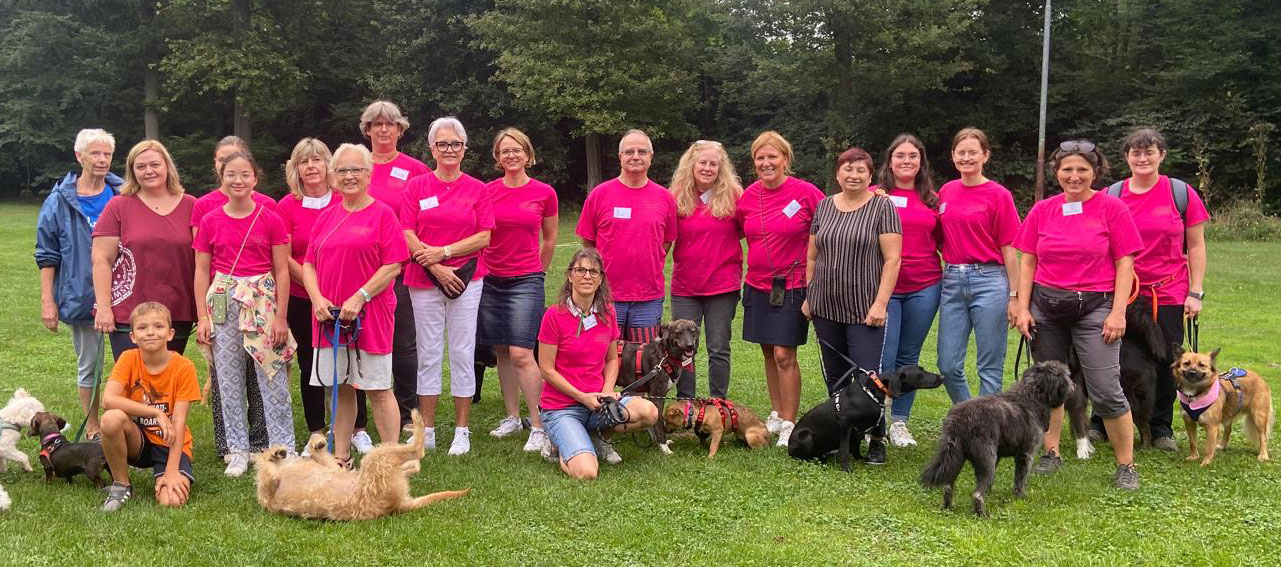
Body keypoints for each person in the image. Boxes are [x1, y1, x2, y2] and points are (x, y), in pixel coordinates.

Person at [1014, 139, 1144, 490]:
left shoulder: (1112, 208)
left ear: (1095, 172)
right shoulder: (1043, 210)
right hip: (1047, 307)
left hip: (1096, 307)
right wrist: (1022, 306)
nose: (1074, 176)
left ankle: (1126, 466)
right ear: (1056, 172)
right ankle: (1050, 453)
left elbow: (1125, 262)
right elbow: (1027, 260)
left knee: (1104, 389)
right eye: (1067, 169)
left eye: (1082, 170)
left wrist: (1118, 313)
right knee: (1048, 387)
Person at [1086, 128, 1210, 451]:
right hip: (1122, 293)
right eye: (1135, 153)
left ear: (1161, 156)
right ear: (1126, 157)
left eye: (1149, 152)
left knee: (1167, 359)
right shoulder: (1111, 195)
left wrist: (1195, 292)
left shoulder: (1181, 193)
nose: (1142, 158)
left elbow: (1195, 246)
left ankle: (1160, 428)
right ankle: (1101, 421)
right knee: (1111, 357)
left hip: (1168, 293)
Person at [304, 143, 409, 467]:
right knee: (341, 387)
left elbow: (394, 264)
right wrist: (318, 299)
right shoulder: (326, 217)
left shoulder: (382, 215)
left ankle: (389, 458)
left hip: (371, 315)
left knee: (377, 387)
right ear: (333, 176)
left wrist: (360, 296)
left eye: (356, 170)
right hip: (330, 318)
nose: (349, 176)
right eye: (343, 170)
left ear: (368, 174)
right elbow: (309, 263)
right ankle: (341, 456)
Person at [193, 150, 296, 477]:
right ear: (221, 178)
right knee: (228, 380)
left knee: (273, 377)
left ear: (255, 178)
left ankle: (283, 447)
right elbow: (201, 272)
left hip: (262, 303)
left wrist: (281, 317)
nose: (238, 181)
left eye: (245, 175)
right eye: (231, 175)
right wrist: (203, 317)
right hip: (224, 301)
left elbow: (282, 270)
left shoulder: (270, 218)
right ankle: (237, 449)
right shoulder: (210, 220)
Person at [802, 147, 902, 464]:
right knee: (836, 379)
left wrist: (881, 304)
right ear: (838, 173)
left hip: (865, 309)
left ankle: (876, 439)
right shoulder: (824, 206)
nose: (853, 175)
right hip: (826, 306)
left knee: (869, 380)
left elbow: (892, 259)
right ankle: (842, 439)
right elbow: (812, 256)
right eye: (847, 169)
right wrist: (809, 295)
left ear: (870, 176)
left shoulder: (882, 207)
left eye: (860, 170)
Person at [401, 116, 492, 456]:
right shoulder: (416, 187)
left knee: (462, 352)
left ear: (465, 149)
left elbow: (484, 235)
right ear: (432, 149)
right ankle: (428, 431)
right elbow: (407, 232)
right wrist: (436, 266)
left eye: (455, 144)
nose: (449, 150)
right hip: (424, 281)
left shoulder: (478, 189)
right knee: (427, 355)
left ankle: (462, 430)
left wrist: (446, 252)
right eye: (443, 144)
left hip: (468, 279)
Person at [278, 138, 373, 456]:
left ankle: (358, 428)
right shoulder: (286, 206)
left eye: (318, 160)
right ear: (296, 169)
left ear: (328, 165)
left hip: (346, 296)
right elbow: (287, 255)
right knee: (311, 364)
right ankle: (316, 431)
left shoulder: (343, 200)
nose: (312, 166)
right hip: (303, 296)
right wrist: (313, 288)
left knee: (352, 361)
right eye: (304, 161)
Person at [537, 248, 660, 480]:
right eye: (580, 270)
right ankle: (559, 442)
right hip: (562, 407)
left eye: (594, 271)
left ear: (601, 278)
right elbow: (546, 369)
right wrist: (582, 397)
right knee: (586, 473)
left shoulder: (608, 313)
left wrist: (606, 393)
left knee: (649, 412)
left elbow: (612, 359)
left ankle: (594, 436)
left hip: (597, 403)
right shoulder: (554, 315)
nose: (587, 276)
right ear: (569, 276)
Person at [737, 131, 824, 447]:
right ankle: (776, 413)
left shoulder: (805, 193)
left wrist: (872, 194)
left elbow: (836, 214)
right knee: (768, 351)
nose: (766, 163)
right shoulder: (747, 197)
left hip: (794, 284)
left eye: (772, 156)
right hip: (757, 285)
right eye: (760, 157)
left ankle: (790, 422)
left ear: (785, 159)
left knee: (785, 353)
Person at [35, 128, 121, 440]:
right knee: (91, 366)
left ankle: (137, 424)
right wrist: (49, 300)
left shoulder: (124, 194)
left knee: (135, 361)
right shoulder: (58, 202)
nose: (102, 160)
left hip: (126, 293)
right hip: (82, 295)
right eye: (95, 153)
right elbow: (47, 255)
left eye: (107, 154)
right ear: (79, 156)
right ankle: (94, 427)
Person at [478, 128, 558, 451]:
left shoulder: (544, 192)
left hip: (526, 281)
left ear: (528, 154)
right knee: (501, 351)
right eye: (504, 151)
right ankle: (513, 417)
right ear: (498, 158)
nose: (511, 156)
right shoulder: (486, 192)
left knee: (523, 352)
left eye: (517, 150)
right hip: (490, 280)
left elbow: (550, 238)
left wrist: (539, 270)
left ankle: (538, 424)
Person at [362, 100, 432, 436]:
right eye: (377, 124)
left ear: (400, 130)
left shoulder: (416, 169)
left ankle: (407, 412)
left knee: (403, 344)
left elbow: (426, 217)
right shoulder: (355, 166)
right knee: (358, 343)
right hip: (359, 271)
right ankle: (358, 418)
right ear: (368, 130)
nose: (384, 130)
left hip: (402, 271)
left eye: (390, 124)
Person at [936, 128, 1021, 402]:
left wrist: (1015, 296)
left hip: (990, 281)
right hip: (952, 281)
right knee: (947, 365)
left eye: (973, 152)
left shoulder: (999, 195)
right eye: (961, 152)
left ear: (985, 155)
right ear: (953, 156)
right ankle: (969, 415)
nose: (966, 157)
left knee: (990, 368)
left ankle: (988, 430)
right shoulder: (946, 191)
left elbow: (1010, 250)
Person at [92, 140, 197, 359]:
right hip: (128, 311)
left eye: (155, 165)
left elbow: (204, 260)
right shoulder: (119, 206)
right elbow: (102, 259)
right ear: (132, 172)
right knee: (132, 381)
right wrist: (103, 308)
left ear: (167, 166)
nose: (148, 171)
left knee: (166, 379)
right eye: (140, 167)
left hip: (176, 309)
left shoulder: (192, 205)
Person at [576, 129, 678, 342]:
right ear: (620, 156)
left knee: (644, 359)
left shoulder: (664, 198)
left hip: (648, 296)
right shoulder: (600, 194)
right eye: (629, 151)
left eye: (642, 151)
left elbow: (667, 241)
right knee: (604, 356)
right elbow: (588, 242)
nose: (635, 156)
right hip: (605, 294)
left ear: (651, 157)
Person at [99, 302, 200, 512]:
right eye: (142, 328)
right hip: (138, 440)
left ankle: (167, 471)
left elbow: (179, 422)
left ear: (170, 334)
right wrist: (155, 411)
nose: (151, 333)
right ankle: (121, 484)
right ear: (133, 336)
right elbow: (108, 400)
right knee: (111, 418)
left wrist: (172, 471)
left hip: (169, 440)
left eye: (158, 326)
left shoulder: (184, 367)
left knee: (171, 501)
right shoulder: (128, 359)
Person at [875, 134, 942, 447]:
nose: (906, 161)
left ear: (921, 162)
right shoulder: (876, 196)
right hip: (885, 288)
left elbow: (943, 241)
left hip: (924, 286)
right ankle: (876, 419)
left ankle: (899, 422)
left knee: (909, 356)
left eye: (912, 156)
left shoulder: (932, 198)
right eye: (900, 156)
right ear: (890, 161)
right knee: (884, 357)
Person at [667, 140, 744, 399]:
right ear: (691, 164)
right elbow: (664, 237)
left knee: (718, 347)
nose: (708, 168)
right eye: (703, 162)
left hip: (722, 287)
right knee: (682, 347)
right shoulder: (676, 196)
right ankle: (685, 404)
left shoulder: (734, 196)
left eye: (714, 164)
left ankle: (717, 405)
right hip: (685, 286)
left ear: (721, 168)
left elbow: (749, 230)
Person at [190, 136, 278, 234]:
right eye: (221, 160)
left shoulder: (267, 204)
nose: (226, 164)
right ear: (215, 162)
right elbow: (200, 248)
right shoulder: (203, 205)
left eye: (233, 158)